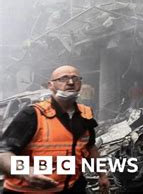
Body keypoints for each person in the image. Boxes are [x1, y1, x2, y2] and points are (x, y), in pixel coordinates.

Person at [0, 65, 110, 193]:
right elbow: (3, 154)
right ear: (50, 85)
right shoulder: (32, 114)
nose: (70, 82)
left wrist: (102, 175)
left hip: (72, 188)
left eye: (75, 78)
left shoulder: (85, 114)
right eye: (63, 79)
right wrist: (26, 173)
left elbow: (90, 147)